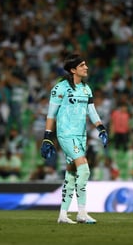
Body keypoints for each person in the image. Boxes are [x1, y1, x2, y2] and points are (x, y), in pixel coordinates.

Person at [40, 54, 108, 224]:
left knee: (71, 174)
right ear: (73, 69)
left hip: (81, 135)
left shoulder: (86, 89)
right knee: (84, 169)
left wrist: (101, 127)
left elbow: (91, 112)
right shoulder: (60, 88)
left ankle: (63, 214)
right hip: (66, 134)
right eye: (82, 65)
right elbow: (51, 115)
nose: (86, 67)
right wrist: (47, 137)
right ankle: (82, 213)